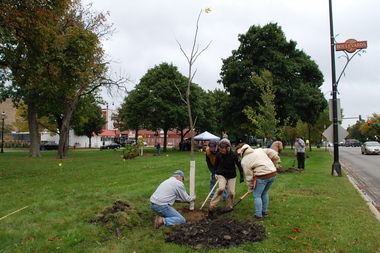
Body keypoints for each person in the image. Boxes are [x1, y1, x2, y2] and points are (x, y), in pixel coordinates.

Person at [235, 143, 281, 222]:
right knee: (264, 192)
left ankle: (258, 216)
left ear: (240, 152)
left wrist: (250, 187)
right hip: (272, 173)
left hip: (262, 176)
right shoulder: (259, 150)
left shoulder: (245, 161)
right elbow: (273, 153)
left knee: (257, 195)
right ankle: (264, 212)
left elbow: (249, 176)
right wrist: (277, 162)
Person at [208, 139, 244, 215]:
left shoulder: (233, 155)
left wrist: (242, 176)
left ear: (228, 148)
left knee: (231, 192)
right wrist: (213, 173)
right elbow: (215, 166)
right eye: (220, 149)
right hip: (221, 174)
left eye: (223, 149)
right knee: (221, 189)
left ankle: (229, 206)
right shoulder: (219, 155)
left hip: (231, 175)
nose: (221, 151)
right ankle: (212, 205)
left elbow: (239, 166)